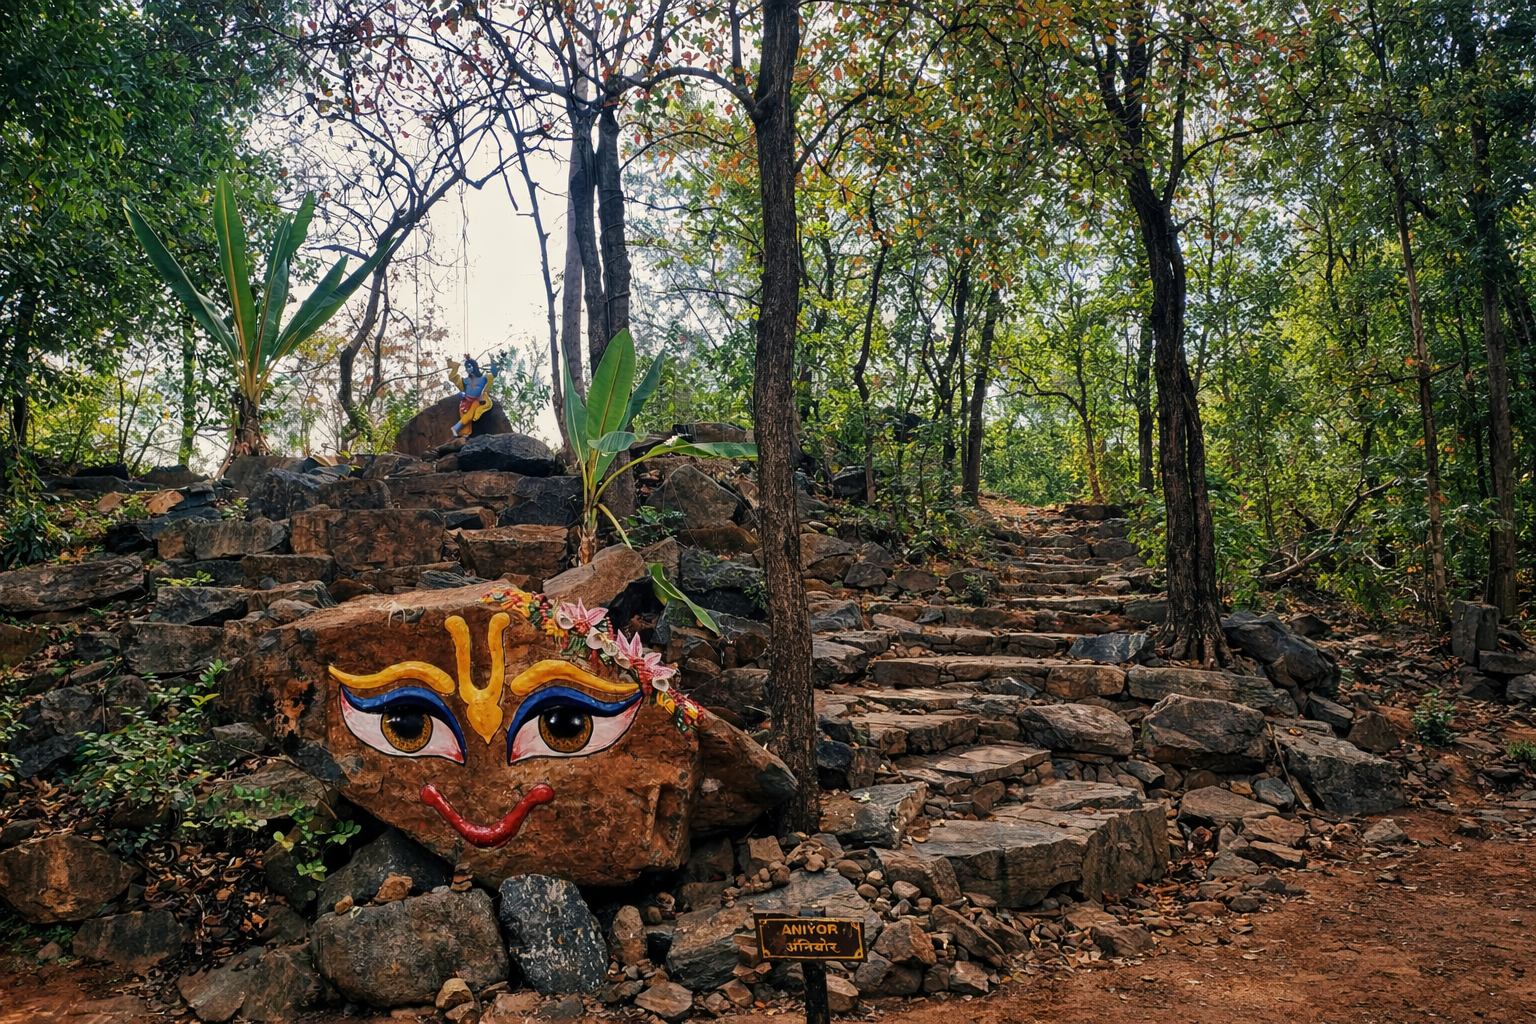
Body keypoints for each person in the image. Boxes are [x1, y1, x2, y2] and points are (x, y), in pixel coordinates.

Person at [449, 354, 496, 439]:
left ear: (475, 366)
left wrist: (493, 361)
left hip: (479, 401)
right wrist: (455, 367)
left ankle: (456, 428)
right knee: (469, 413)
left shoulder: (484, 378)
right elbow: (452, 377)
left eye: (470, 366)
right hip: (466, 402)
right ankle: (458, 429)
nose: (468, 369)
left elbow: (494, 374)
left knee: (472, 411)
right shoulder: (465, 380)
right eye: (467, 367)